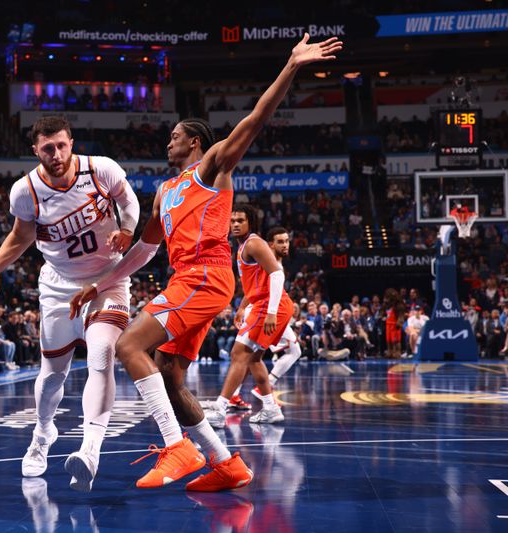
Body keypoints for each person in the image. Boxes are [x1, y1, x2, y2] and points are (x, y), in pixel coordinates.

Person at [70, 33, 341, 491]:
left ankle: (177, 447)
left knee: (129, 347)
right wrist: (99, 285)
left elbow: (255, 119)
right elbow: (143, 249)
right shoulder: (164, 191)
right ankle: (226, 464)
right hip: (187, 278)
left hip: (206, 275)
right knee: (172, 377)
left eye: (175, 136)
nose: (168, 142)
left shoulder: (213, 167)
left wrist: (292, 66)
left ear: (194, 142)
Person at [0, 115, 141, 492]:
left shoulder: (100, 169)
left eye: (61, 145)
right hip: (58, 286)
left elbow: (129, 199)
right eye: (46, 148)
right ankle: (42, 434)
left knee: (102, 354)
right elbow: (20, 237)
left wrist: (127, 228)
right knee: (52, 374)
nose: (55, 154)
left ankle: (90, 450)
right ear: (35, 150)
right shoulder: (25, 192)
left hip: (108, 279)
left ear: (71, 142)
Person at [205, 223, 299, 428]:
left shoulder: (263, 253)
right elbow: (255, 288)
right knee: (254, 358)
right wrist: (242, 307)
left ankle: (221, 408)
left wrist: (271, 313)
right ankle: (270, 408)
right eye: (281, 241)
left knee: (239, 354)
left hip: (270, 309)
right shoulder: (255, 252)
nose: (286, 245)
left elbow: (274, 280)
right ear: (271, 244)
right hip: (267, 307)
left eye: (287, 241)